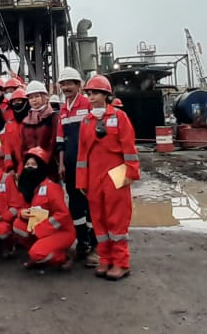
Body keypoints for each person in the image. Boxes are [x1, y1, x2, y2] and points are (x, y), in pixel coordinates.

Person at [76, 75, 139, 281]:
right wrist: (82, 181)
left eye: (94, 93)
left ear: (105, 95)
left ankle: (121, 263)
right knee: (99, 220)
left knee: (117, 220)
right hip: (94, 176)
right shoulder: (87, 121)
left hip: (115, 174)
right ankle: (105, 258)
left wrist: (130, 173)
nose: (91, 97)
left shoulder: (120, 117)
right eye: (89, 93)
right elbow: (82, 154)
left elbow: (128, 147)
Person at [56, 67, 98, 267]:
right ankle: (82, 242)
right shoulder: (63, 109)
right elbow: (60, 140)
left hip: (88, 165)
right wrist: (62, 164)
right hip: (70, 165)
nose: (66, 87)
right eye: (63, 84)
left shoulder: (87, 105)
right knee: (75, 204)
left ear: (79, 85)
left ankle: (94, 245)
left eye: (69, 83)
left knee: (90, 204)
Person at [13, 147, 75, 270]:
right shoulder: (27, 187)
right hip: (39, 228)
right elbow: (21, 206)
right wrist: (22, 213)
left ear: (41, 167)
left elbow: (62, 215)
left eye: (34, 164)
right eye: (27, 164)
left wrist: (41, 229)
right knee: (18, 225)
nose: (29, 167)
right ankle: (36, 255)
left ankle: (64, 257)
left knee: (37, 254)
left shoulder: (52, 188)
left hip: (61, 232)